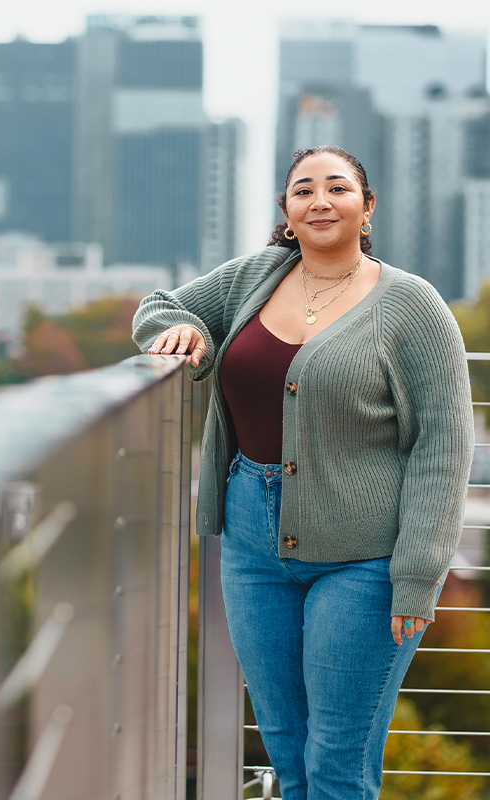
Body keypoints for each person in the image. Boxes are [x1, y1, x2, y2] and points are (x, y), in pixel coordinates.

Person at [132, 146, 475, 800]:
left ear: (367, 207)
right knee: (288, 753)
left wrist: (418, 574)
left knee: (337, 764)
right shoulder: (254, 277)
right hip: (251, 549)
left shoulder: (412, 306)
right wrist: (182, 331)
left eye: (338, 188)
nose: (320, 200)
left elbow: (443, 446)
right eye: (303, 190)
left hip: (364, 560)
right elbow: (156, 307)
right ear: (287, 212)